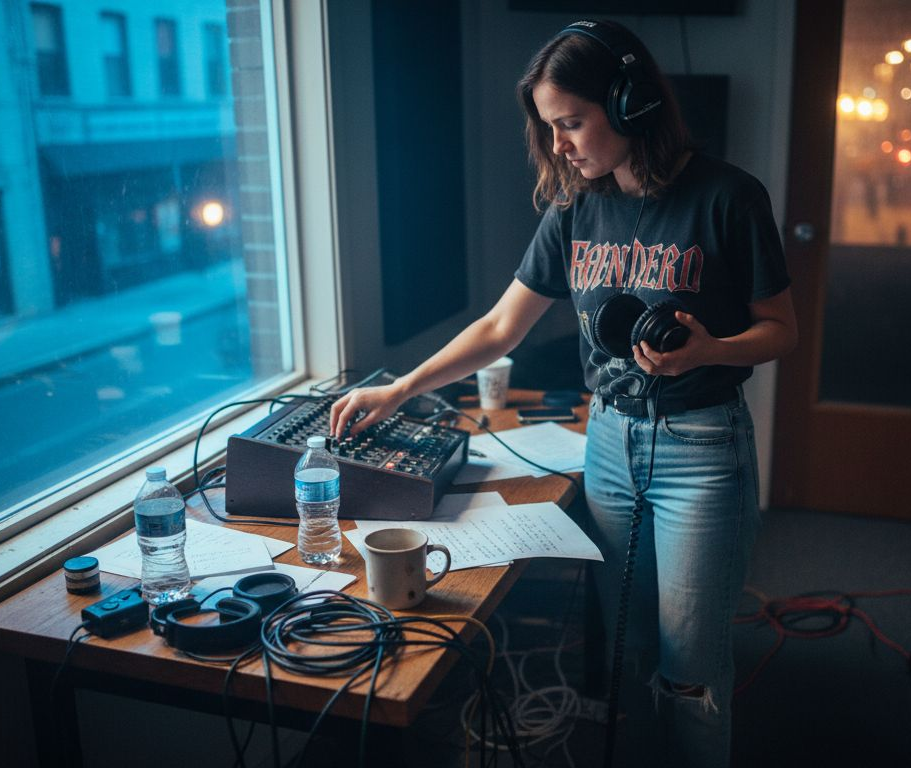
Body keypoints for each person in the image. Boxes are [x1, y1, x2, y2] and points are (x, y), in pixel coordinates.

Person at [329, 19, 796, 766]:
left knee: (688, 670)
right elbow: (500, 325)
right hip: (607, 444)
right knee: (626, 649)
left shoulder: (728, 198)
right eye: (549, 127)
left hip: (702, 450)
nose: (559, 145)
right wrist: (402, 388)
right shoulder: (577, 207)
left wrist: (711, 349)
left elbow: (780, 330)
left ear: (632, 104)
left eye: (571, 122)